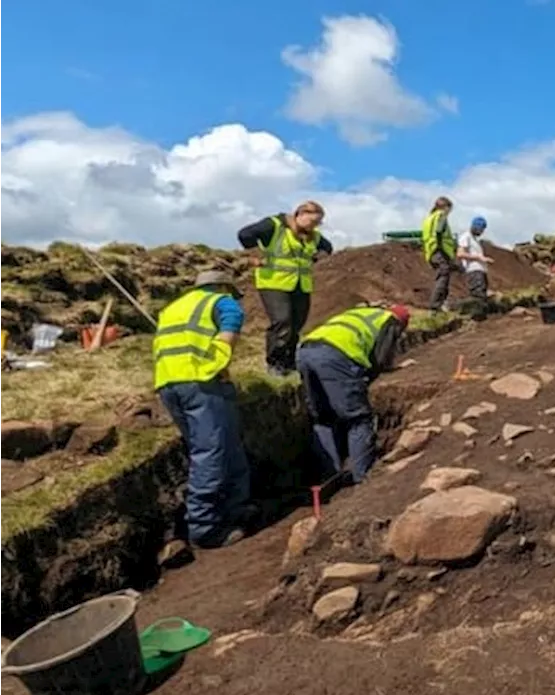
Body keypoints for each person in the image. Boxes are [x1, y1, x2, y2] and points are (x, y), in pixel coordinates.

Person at [152, 270, 253, 549]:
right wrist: (219, 362)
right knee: (211, 451)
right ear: (221, 286)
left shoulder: (173, 308)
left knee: (225, 445)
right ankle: (205, 528)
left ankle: (236, 508)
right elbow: (231, 326)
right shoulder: (221, 301)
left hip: (169, 384)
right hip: (202, 382)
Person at [297, 303, 410, 485]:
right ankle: (362, 475)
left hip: (305, 352)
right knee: (359, 418)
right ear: (402, 323)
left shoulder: (361, 313)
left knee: (323, 418)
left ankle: (329, 477)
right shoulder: (389, 321)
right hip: (335, 356)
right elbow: (381, 359)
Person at [238, 201, 333, 376]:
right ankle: (274, 363)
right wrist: (254, 254)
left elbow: (327, 248)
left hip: (300, 284)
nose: (315, 226)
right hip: (273, 283)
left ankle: (289, 363)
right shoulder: (274, 225)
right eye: (312, 221)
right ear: (300, 214)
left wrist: (319, 256)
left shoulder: (314, 236)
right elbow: (245, 234)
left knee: (296, 324)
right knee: (282, 321)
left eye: (318, 223)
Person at [422, 196, 457, 311]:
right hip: (440, 251)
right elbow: (439, 231)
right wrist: (442, 248)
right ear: (445, 207)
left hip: (431, 252)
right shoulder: (441, 216)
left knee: (443, 277)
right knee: (443, 277)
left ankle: (441, 305)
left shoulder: (428, 218)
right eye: (449, 209)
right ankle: (436, 305)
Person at [457, 216, 495, 317]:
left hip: (480, 270)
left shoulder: (474, 240)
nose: (482, 232)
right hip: (474, 270)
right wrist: (478, 257)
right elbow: (460, 254)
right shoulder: (466, 237)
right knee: (478, 296)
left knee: (482, 294)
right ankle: (477, 318)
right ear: (476, 227)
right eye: (481, 229)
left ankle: (481, 317)